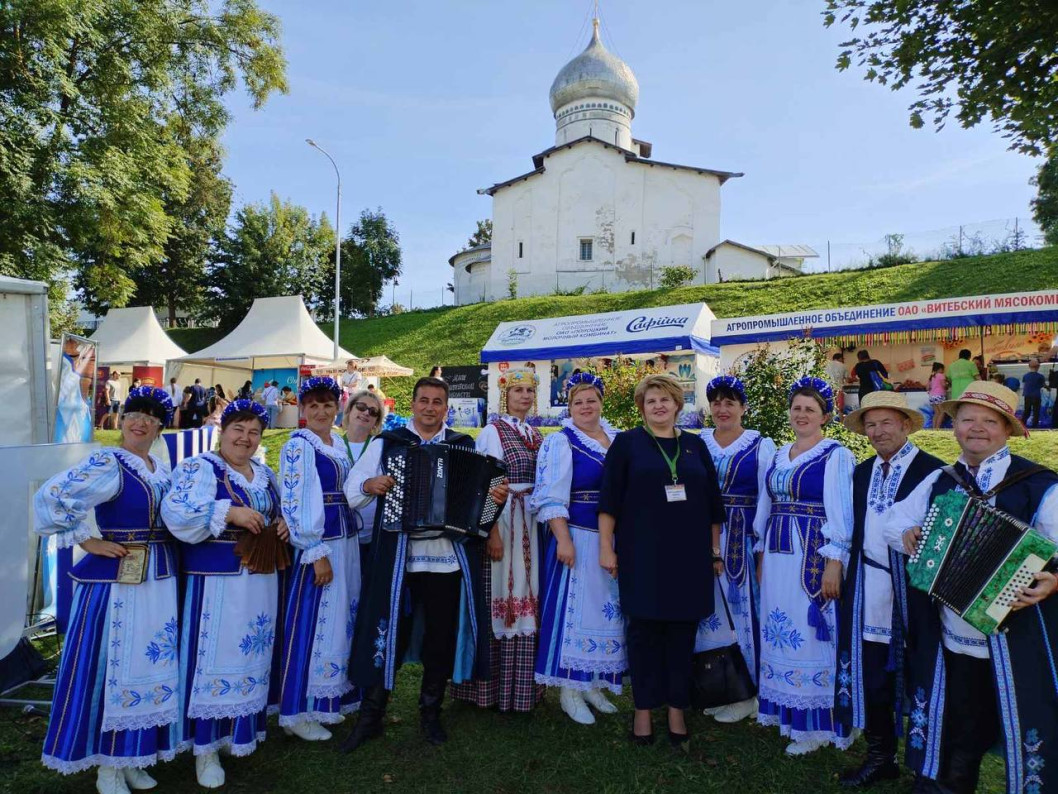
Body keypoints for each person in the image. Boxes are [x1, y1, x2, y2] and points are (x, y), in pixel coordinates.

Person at [885, 381, 1058, 793]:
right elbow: (890, 522)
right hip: (954, 638)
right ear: (954, 426)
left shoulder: (1037, 484)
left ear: (1006, 430)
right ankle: (950, 784)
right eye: (967, 419)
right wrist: (908, 532)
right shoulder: (942, 480)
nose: (976, 428)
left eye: (989, 421)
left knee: (1027, 723)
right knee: (961, 725)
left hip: (1016, 636)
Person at [340, 377, 508, 751]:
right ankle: (372, 716)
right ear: (412, 405)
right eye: (424, 401)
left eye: (437, 402)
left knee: (441, 637)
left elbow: (482, 512)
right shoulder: (389, 443)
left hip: (446, 561)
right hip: (399, 556)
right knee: (388, 632)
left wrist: (495, 499)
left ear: (445, 408)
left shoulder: (463, 445)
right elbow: (353, 491)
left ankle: (430, 713)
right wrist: (372, 485)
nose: (430, 407)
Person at [34, 387, 178, 794]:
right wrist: (87, 539)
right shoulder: (109, 463)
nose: (140, 421)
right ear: (121, 418)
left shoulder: (160, 469)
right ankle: (107, 765)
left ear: (159, 428)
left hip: (157, 579)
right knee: (113, 666)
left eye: (151, 417)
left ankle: (132, 756)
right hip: (116, 584)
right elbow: (53, 494)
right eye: (134, 412)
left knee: (147, 667)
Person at [161, 399, 287, 788]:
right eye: (238, 429)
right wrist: (229, 512)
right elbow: (176, 511)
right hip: (216, 584)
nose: (245, 439)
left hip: (260, 579)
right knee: (213, 660)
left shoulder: (264, 474)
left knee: (252, 653)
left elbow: (281, 512)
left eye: (253, 433)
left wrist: (282, 524)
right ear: (223, 431)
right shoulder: (201, 468)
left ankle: (238, 732)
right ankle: (205, 748)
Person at [598, 374, 724, 746]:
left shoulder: (695, 446)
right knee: (643, 633)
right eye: (651, 401)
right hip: (642, 554)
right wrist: (607, 547)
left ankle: (676, 709)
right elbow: (609, 501)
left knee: (682, 633)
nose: (658, 406)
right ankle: (642, 710)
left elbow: (713, 504)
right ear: (642, 407)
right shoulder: (627, 444)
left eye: (665, 400)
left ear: (677, 405)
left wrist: (714, 551)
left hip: (689, 556)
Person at [834, 392, 944, 787]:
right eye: (870, 424)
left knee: (922, 675)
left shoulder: (934, 472)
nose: (878, 431)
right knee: (873, 672)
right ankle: (881, 757)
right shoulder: (861, 472)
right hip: (867, 588)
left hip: (912, 591)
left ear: (905, 424)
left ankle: (925, 766)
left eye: (886, 423)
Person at [755, 377, 856, 755]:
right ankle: (788, 713)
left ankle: (818, 726)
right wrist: (761, 554)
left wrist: (835, 562)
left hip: (811, 555)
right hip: (779, 556)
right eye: (796, 408)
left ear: (825, 416)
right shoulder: (780, 454)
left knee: (810, 632)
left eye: (809, 409)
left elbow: (841, 513)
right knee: (780, 626)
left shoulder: (835, 454)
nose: (801, 415)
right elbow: (765, 509)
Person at [531, 372, 625, 724]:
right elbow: (551, 494)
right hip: (578, 535)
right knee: (574, 613)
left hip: (613, 536)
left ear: (601, 403)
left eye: (591, 400)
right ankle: (569, 690)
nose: (586, 407)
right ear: (569, 408)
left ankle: (593, 682)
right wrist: (564, 539)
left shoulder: (618, 438)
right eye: (578, 402)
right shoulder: (561, 442)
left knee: (607, 612)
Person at [451, 370, 545, 713]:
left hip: (529, 521)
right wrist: (491, 531)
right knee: (501, 596)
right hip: (503, 521)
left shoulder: (534, 434)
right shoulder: (493, 431)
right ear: (505, 396)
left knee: (528, 593)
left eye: (529, 390)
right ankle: (490, 691)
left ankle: (521, 689)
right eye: (517, 390)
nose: (524, 395)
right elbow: (483, 483)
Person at [277, 377, 362, 741]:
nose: (321, 411)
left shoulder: (336, 443)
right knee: (313, 621)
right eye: (312, 405)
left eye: (327, 405)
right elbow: (296, 503)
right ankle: (298, 710)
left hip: (344, 540)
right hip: (321, 544)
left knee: (338, 618)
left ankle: (326, 701)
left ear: (336, 407)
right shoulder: (299, 446)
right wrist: (314, 552)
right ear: (302, 409)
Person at [694, 376, 776, 724]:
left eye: (730, 403)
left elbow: (767, 498)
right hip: (699, 536)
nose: (722, 409)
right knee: (707, 615)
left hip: (741, 536)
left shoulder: (760, 445)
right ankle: (719, 686)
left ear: (743, 408)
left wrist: (760, 547)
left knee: (743, 614)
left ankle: (749, 693)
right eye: (716, 403)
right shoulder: (697, 442)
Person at [340, 389, 386, 570]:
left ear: (376, 420)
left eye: (373, 412)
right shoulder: (333, 445)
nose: (366, 412)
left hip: (373, 537)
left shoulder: (381, 447)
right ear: (349, 410)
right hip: (341, 535)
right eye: (361, 407)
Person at [1022, 357, 1046, 429]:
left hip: (1027, 395)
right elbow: (1042, 385)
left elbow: (1024, 383)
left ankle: (1022, 425)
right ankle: (1035, 426)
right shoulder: (1041, 376)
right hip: (1036, 396)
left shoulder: (1025, 376)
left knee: (1026, 411)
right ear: (1038, 367)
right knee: (1036, 411)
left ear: (1029, 366)